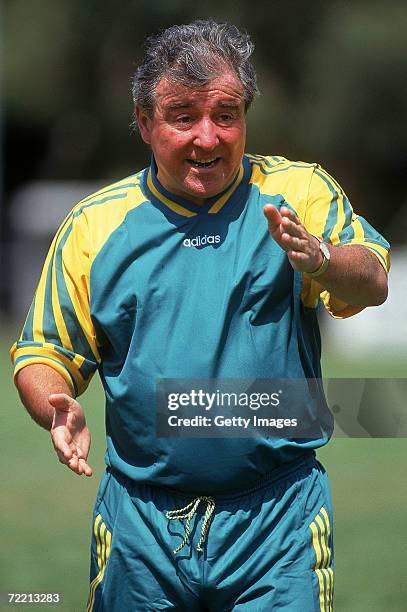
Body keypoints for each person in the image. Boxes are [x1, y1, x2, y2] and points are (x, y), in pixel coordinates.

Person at [11, 20, 390, 612]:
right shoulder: (95, 225)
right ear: (143, 123)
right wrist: (52, 401)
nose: (208, 138)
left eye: (226, 114)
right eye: (183, 116)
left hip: (278, 520)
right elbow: (43, 353)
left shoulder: (297, 193)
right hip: (141, 526)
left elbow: (371, 280)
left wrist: (320, 259)